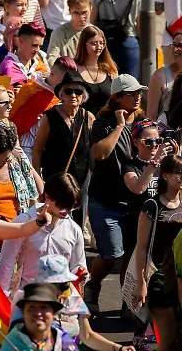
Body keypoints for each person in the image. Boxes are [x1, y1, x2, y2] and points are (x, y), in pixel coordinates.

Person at [86, 74, 148, 313]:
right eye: (131, 94)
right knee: (112, 254)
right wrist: (120, 126)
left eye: (138, 93)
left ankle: (127, 304)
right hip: (106, 199)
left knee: (132, 256)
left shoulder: (143, 121)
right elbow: (99, 154)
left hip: (135, 200)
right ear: (117, 97)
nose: (137, 97)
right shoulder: (103, 121)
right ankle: (93, 285)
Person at [0, 173, 88, 293]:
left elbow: (77, 267)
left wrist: (82, 274)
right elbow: (6, 264)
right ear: (47, 197)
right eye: (62, 205)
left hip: (59, 300)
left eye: (71, 206)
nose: (66, 210)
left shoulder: (74, 229)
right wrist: (2, 299)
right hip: (26, 298)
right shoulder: (22, 223)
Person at [131, 145, 182, 350]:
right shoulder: (152, 206)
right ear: (165, 175)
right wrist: (141, 283)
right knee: (167, 339)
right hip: (158, 279)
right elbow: (142, 247)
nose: (181, 177)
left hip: (179, 277)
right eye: (178, 173)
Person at [32, 71, 95, 205]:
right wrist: (38, 180)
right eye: (68, 91)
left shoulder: (88, 117)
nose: (73, 95)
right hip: (55, 180)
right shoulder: (49, 117)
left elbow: (93, 150)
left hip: (81, 181)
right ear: (61, 94)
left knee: (78, 222)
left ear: (83, 96)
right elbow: (37, 150)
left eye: (78, 91)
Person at [92, 0, 140, 77]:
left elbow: (92, 20)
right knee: (130, 86)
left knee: (107, 84)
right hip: (129, 41)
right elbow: (139, 24)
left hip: (104, 43)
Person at [74, 26, 117, 115]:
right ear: (84, 44)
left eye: (102, 43)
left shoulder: (110, 70)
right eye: (93, 43)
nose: (99, 47)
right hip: (82, 121)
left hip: (105, 122)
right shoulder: (74, 68)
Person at [47, 0, 92, 65]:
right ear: (70, 11)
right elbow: (52, 59)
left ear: (91, 9)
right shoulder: (59, 33)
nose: (81, 17)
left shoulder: (96, 32)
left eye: (84, 12)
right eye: (76, 13)